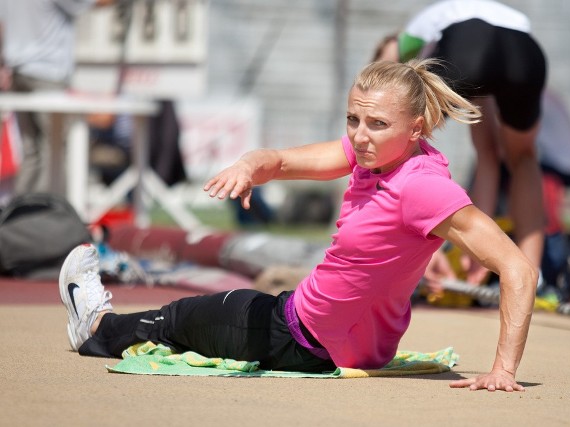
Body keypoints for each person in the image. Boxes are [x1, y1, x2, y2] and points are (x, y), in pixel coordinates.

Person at [59, 59, 537, 391]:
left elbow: (518, 269)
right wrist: (249, 166)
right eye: (353, 119)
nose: (359, 136)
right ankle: (104, 325)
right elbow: (283, 162)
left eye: (376, 124)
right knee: (208, 314)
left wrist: (502, 369)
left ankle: (94, 327)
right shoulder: (375, 155)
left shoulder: (423, 188)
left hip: (301, 340)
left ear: (416, 128)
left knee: (179, 320)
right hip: (330, 336)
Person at [375, 0, 547, 285]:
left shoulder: (416, 29)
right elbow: (487, 157)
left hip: (469, 49)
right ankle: (530, 278)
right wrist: (475, 250)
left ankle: (394, 253)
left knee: (394, 145)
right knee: (524, 159)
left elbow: (387, 62)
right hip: (524, 54)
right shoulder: (487, 14)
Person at [0, 0, 114, 194]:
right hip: (48, 73)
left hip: (18, 72)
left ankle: (22, 214)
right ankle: (49, 212)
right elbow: (93, 3)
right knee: (55, 149)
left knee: (32, 150)